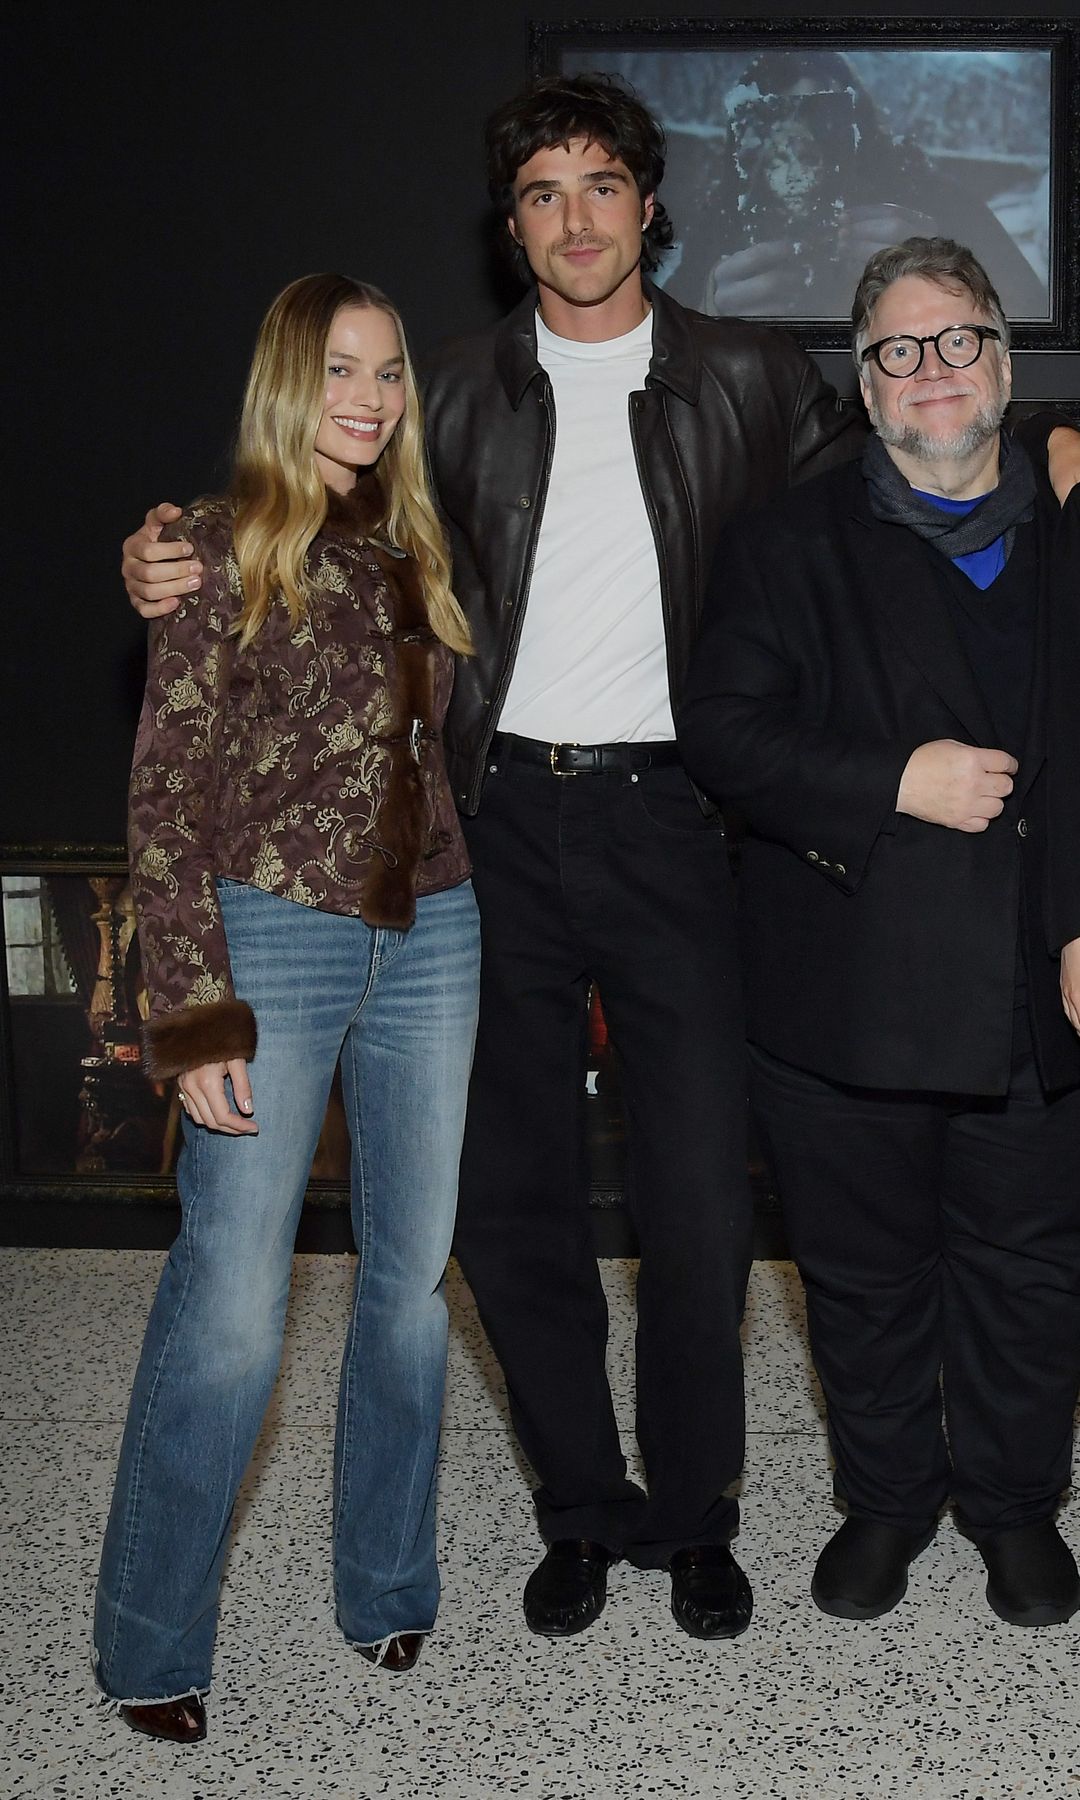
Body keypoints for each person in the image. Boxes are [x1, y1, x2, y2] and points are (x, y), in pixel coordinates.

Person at [119, 76, 1077, 1647]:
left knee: (702, 1209)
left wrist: (1053, 440)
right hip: (489, 831)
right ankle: (582, 1509)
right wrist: (169, 547)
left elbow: (930, 427)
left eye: (602, 185)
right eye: (544, 193)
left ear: (648, 205)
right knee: (514, 1212)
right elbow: (316, 506)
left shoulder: (754, 377)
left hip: (687, 827)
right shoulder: (455, 395)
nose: (576, 216)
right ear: (514, 230)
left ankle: (698, 1520)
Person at [94, 273, 480, 1745]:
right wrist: (189, 1019)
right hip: (271, 939)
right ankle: (149, 1642)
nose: (369, 397)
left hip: (437, 933)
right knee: (235, 1306)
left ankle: (387, 1583)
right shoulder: (202, 546)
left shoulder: (413, 545)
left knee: (407, 1288)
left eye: (387, 372)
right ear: (283, 382)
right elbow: (163, 798)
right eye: (338, 371)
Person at [680, 238, 1080, 1628]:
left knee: (1025, 1275)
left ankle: (1019, 1508)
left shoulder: (1072, 522)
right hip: (842, 986)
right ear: (864, 387)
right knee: (862, 1278)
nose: (932, 373)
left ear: (1006, 365)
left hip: (1034, 985)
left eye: (958, 341)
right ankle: (891, 1502)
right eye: (898, 352)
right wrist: (892, 781)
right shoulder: (785, 540)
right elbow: (723, 733)